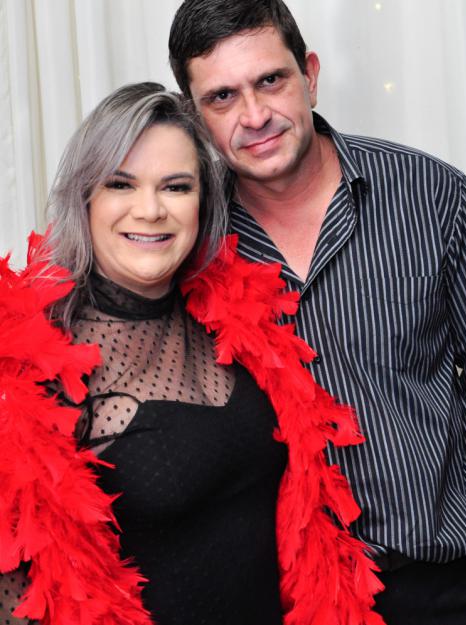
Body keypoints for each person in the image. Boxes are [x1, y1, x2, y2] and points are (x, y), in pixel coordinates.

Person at [168, 1, 466, 624]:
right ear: (195, 116)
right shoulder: (187, 240)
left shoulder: (432, 195)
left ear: (310, 75)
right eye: (222, 97)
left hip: (449, 584)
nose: (254, 116)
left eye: (271, 80)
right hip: (289, 602)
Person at [0, 82, 383, 625]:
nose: (150, 210)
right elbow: (21, 599)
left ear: (203, 203)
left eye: (176, 187)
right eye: (121, 184)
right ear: (85, 198)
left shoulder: (234, 322)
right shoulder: (30, 372)